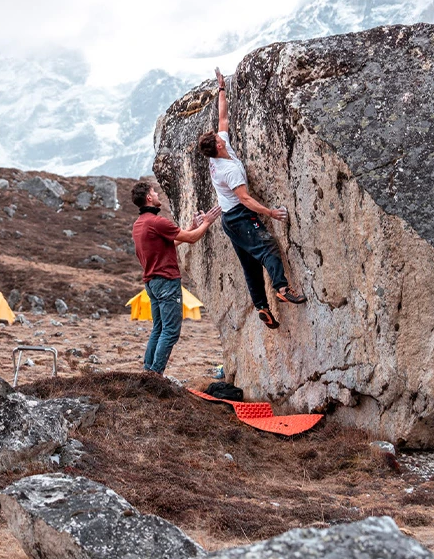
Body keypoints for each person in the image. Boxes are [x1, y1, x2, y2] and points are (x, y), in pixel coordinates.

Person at [197, 67, 305, 330]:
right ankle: (281, 288)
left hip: (229, 221)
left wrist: (222, 88)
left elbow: (223, 117)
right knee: (267, 248)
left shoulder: (219, 150)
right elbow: (245, 199)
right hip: (240, 217)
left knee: (250, 264)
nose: (219, 134)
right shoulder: (229, 169)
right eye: (217, 138)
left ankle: (262, 307)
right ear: (219, 146)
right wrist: (270, 213)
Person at [131, 180, 221, 375]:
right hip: (166, 280)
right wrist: (206, 222)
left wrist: (190, 226)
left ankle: (148, 372)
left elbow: (170, 243)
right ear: (148, 198)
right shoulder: (157, 221)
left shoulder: (140, 224)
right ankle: (155, 374)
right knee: (170, 331)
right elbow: (191, 239)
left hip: (151, 283)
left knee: (159, 328)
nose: (157, 195)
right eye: (154, 192)